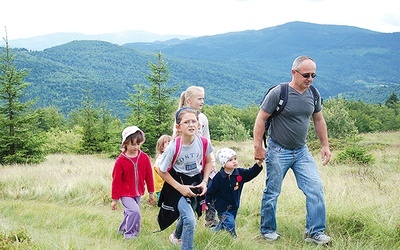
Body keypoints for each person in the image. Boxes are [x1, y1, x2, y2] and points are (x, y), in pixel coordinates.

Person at [253, 55, 332, 245]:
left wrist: (325, 145)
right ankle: (268, 230)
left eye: (313, 75)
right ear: (294, 72)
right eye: (306, 75)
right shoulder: (279, 93)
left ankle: (315, 232)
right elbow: (261, 118)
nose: (310, 79)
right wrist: (258, 147)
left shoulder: (313, 94)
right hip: (278, 149)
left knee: (315, 188)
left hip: (301, 151)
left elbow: (319, 120)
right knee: (272, 191)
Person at [157, 107, 213, 250]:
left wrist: (205, 182)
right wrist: (180, 188)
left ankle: (175, 236)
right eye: (186, 122)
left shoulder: (203, 142)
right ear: (178, 126)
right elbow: (161, 170)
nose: (191, 124)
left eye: (194, 121)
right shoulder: (173, 147)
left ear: (199, 124)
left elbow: (208, 161)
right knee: (190, 220)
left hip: (196, 182)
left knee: (190, 211)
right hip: (177, 184)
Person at [174, 85, 218, 228]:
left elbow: (207, 139)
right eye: (199, 98)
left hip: (203, 159)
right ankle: (185, 220)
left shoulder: (203, 118)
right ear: (189, 100)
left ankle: (210, 219)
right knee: (191, 191)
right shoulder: (180, 117)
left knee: (211, 187)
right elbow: (176, 140)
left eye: (203, 99)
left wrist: (212, 160)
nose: (202, 101)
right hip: (188, 162)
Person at [206, 148, 263, 238]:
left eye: (235, 158)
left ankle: (215, 231)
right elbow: (211, 190)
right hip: (223, 208)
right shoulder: (219, 177)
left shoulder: (239, 173)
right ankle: (233, 239)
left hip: (234, 205)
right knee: (230, 223)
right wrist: (207, 202)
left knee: (225, 222)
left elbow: (250, 173)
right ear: (224, 163)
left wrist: (258, 163)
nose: (234, 161)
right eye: (230, 160)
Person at [111, 126, 155, 239]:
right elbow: (116, 181)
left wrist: (151, 192)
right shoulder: (120, 161)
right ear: (125, 143)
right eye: (133, 144)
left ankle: (122, 229)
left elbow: (149, 176)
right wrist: (115, 199)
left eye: (138, 144)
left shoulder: (144, 157)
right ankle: (130, 235)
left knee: (129, 213)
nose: (136, 147)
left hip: (138, 192)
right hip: (125, 193)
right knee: (135, 212)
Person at [153, 134, 172, 199]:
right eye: (167, 142)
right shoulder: (161, 160)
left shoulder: (168, 158)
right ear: (162, 148)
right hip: (161, 188)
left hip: (168, 187)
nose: (169, 143)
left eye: (170, 142)